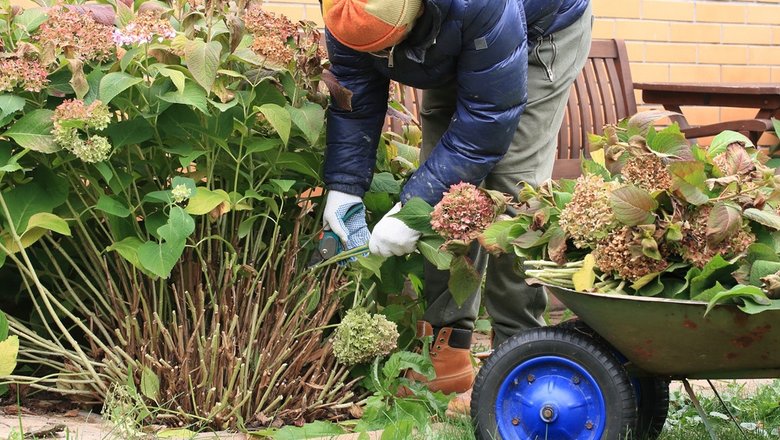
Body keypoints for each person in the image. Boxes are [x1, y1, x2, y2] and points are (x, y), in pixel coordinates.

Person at [320, 0, 593, 406]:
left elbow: (488, 120)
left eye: (385, 48)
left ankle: (519, 352)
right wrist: (344, 187)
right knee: (441, 179)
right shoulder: (344, 11)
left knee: (511, 190)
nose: (380, 59)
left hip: (537, 32)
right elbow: (354, 95)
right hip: (449, 37)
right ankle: (447, 350)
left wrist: (412, 208)